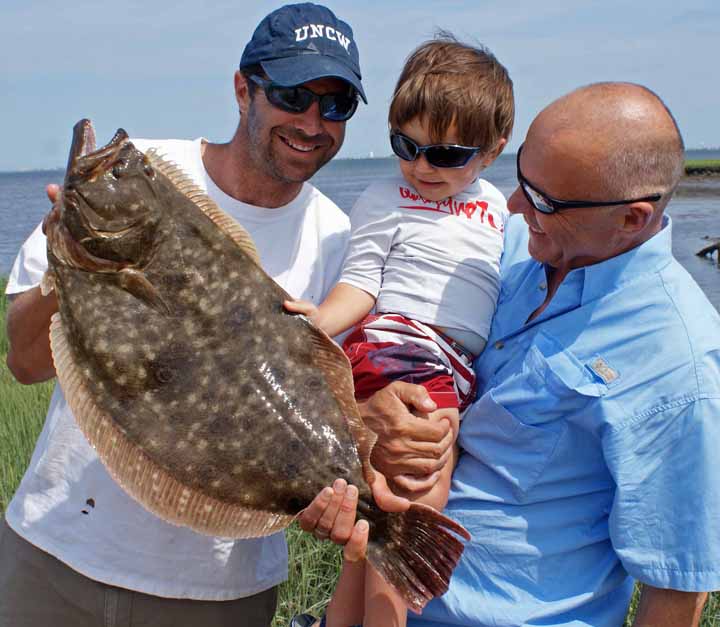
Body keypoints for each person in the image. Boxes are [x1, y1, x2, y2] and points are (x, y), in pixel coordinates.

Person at [0, 4, 405, 626]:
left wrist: (339, 496)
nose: (312, 122)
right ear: (244, 89)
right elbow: (25, 366)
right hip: (54, 551)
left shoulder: (339, 240)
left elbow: (333, 395)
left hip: (219, 595)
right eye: (293, 95)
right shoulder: (150, 172)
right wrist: (68, 265)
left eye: (336, 106)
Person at [301, 82, 720, 626]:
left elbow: (677, 589)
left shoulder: (679, 361)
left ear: (632, 219)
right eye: (521, 181)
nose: (516, 207)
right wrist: (366, 415)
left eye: (544, 200)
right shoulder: (517, 252)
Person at [287, 35, 513, 627]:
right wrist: (315, 323)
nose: (420, 166)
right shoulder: (386, 198)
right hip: (399, 347)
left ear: (493, 150)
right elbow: (361, 284)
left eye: (445, 155)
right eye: (405, 145)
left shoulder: (499, 210)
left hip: (451, 367)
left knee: (376, 518)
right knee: (416, 510)